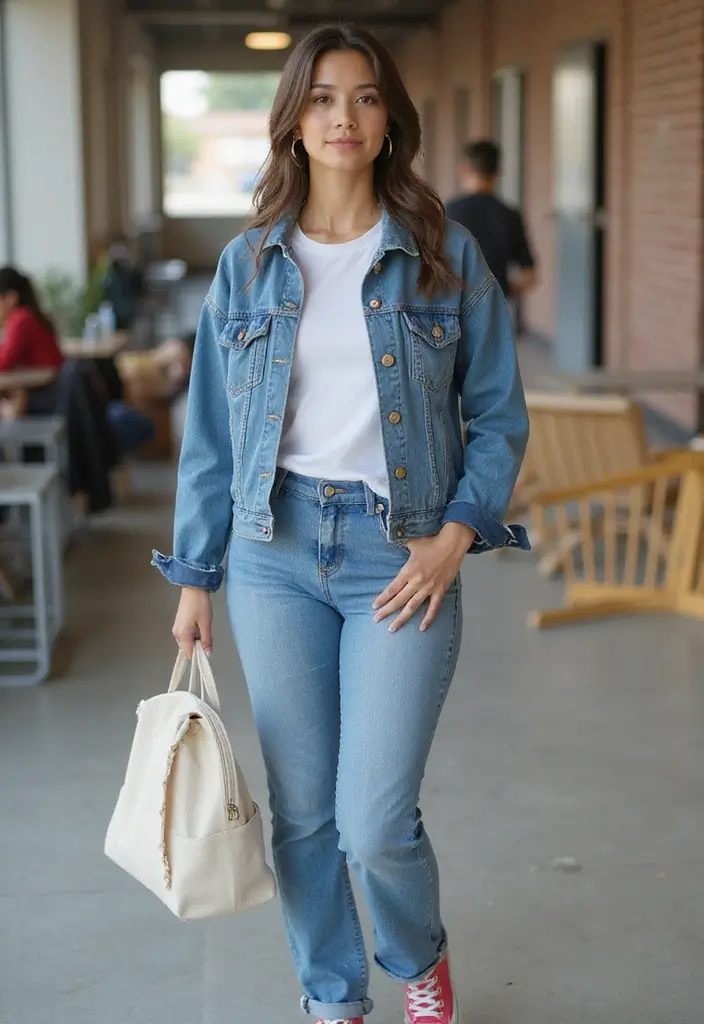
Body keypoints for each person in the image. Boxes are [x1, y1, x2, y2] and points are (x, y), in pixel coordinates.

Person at [154, 23, 529, 1024]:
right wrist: (197, 578)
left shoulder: (443, 255)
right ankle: (332, 995)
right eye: (321, 97)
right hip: (274, 552)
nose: (342, 117)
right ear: (292, 119)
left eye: (363, 97)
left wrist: (454, 537)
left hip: (397, 553)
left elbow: (495, 413)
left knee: (371, 822)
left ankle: (415, 953)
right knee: (304, 816)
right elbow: (211, 436)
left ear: (388, 119)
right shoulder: (246, 266)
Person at [445, 140, 537, 301]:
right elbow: (529, 275)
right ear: (497, 173)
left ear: (464, 168)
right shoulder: (510, 215)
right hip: (494, 305)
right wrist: (504, 291)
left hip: (455, 305)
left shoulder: (449, 211)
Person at [0, 266, 65, 419]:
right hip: (53, 393)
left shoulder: (21, 318)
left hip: (49, 396)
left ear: (10, 298)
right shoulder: (27, 316)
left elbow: (4, 361)